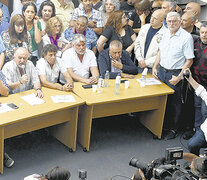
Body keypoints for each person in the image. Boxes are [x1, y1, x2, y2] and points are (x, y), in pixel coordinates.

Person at [152, 12, 194, 140]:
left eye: (174, 21)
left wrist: (179, 77)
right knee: (162, 101)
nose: (171, 24)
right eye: (169, 21)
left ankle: (173, 129)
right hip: (162, 72)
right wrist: (155, 66)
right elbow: (160, 51)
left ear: (180, 21)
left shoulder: (186, 38)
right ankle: (162, 126)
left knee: (175, 103)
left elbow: (189, 60)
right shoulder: (165, 33)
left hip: (175, 74)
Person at [134, 9, 165, 73]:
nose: (152, 20)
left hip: (154, 68)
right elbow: (137, 44)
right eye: (152, 17)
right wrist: (140, 59)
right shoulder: (144, 28)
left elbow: (162, 53)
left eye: (155, 18)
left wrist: (146, 62)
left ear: (162, 21)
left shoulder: (166, 33)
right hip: (140, 65)